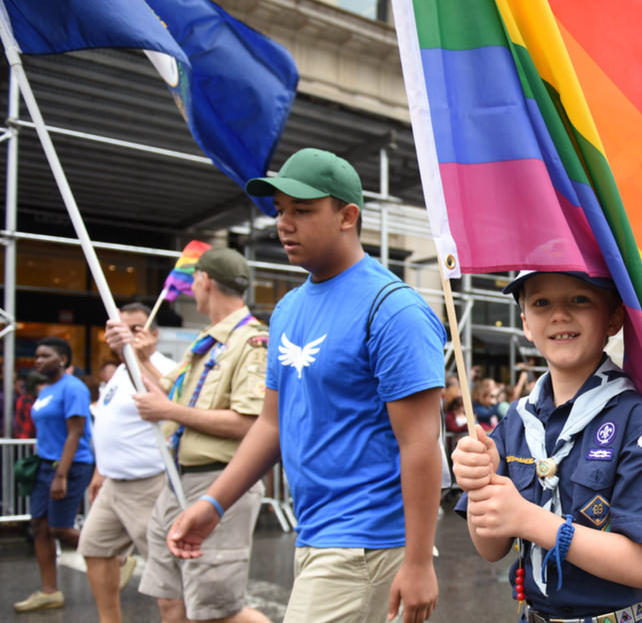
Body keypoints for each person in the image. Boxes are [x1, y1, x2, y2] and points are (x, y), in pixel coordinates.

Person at [165, 148, 445, 623]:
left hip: (367, 542)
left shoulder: (393, 308)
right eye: (280, 211)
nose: (284, 224)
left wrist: (418, 562)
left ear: (347, 216)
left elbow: (420, 442)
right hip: (315, 532)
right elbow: (271, 425)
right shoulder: (289, 309)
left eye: (303, 210)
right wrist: (214, 503)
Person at [453, 270, 642, 622]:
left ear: (613, 317)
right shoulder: (515, 422)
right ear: (526, 324)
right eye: (541, 303)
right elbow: (491, 548)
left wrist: (530, 520)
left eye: (579, 299)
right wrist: (477, 485)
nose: (559, 315)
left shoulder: (639, 421)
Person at [106, 246, 270, 623]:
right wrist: (132, 356)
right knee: (171, 600)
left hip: (218, 482)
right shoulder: (207, 341)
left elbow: (252, 424)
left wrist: (169, 411)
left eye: (194, 281)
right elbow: (165, 395)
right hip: (178, 482)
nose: (192, 289)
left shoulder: (251, 341)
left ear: (204, 280)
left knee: (218, 610)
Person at [81, 302, 178, 623]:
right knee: (94, 547)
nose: (127, 334)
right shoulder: (121, 370)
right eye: (120, 327)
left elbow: (176, 403)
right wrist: (100, 471)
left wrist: (144, 359)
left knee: (167, 570)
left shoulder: (160, 365)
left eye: (136, 328)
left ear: (153, 333)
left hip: (148, 484)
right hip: (114, 483)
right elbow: (111, 425)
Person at [15, 337, 95, 612]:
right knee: (38, 526)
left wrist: (61, 474)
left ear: (62, 359)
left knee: (59, 527)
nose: (37, 361)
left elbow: (75, 432)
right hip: (44, 465)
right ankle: (50, 591)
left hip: (69, 466)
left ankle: (114, 555)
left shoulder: (74, 388)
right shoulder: (47, 389)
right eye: (36, 356)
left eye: (45, 356)